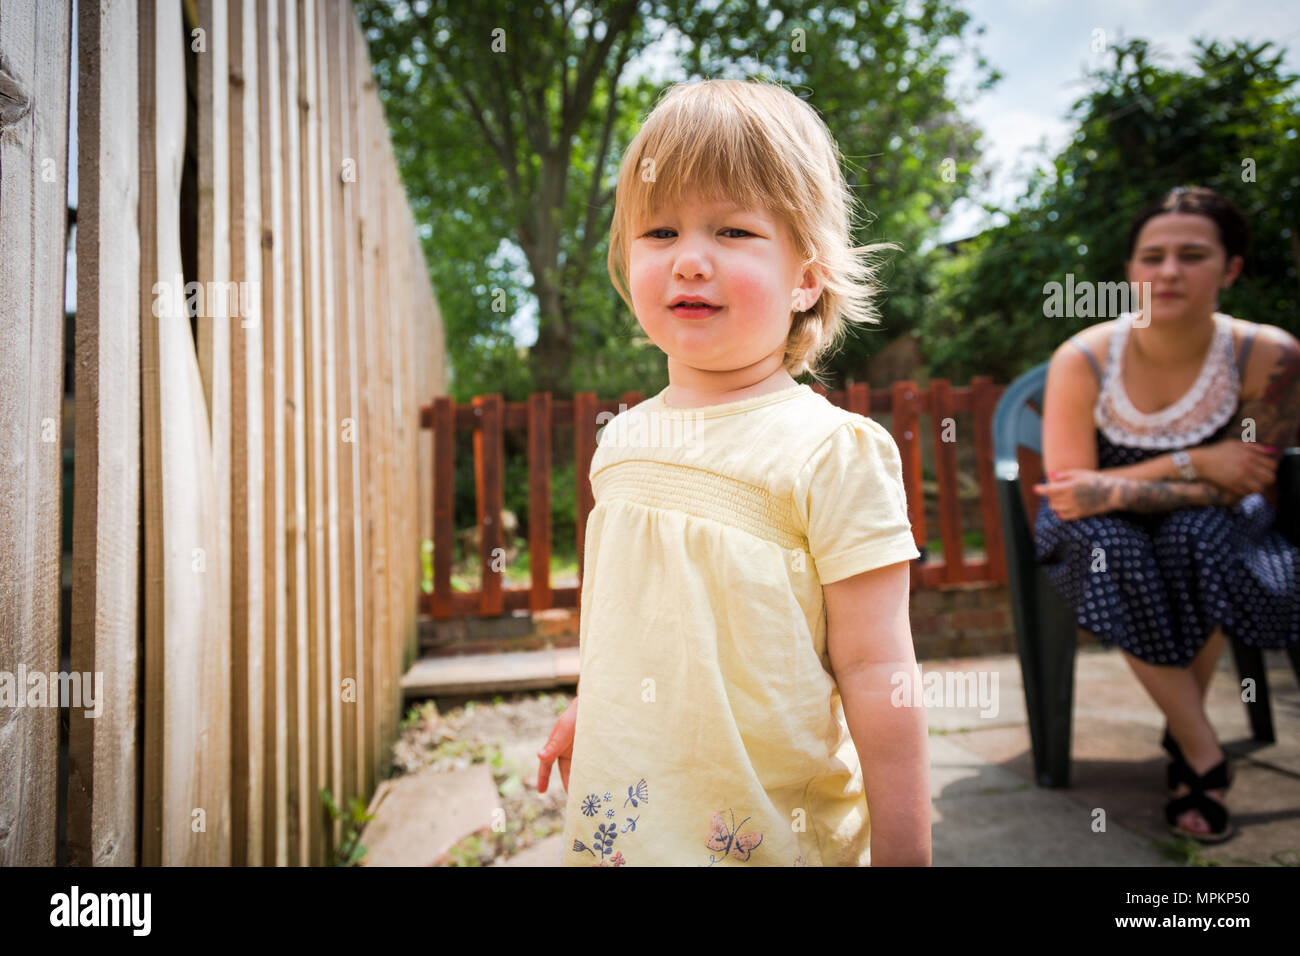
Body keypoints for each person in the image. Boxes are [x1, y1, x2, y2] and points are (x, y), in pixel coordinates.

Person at [534, 78, 931, 866]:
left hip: (770, 838)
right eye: (659, 232)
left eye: (734, 231)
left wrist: (905, 855)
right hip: (629, 825)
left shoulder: (829, 452)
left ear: (806, 278)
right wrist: (599, 704)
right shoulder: (621, 444)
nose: (688, 260)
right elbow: (632, 618)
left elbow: (879, 669)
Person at [1032, 185, 1300, 844]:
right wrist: (1196, 464)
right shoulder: (1084, 357)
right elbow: (1072, 496)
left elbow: (1247, 486)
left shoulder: (1271, 356)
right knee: (1114, 547)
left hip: (1217, 522)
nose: (1169, 271)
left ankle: (1186, 745)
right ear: (1131, 271)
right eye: (1152, 256)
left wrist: (1125, 486)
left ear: (1231, 268)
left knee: (1197, 536)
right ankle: (1200, 749)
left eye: (1192, 254)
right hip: (1095, 532)